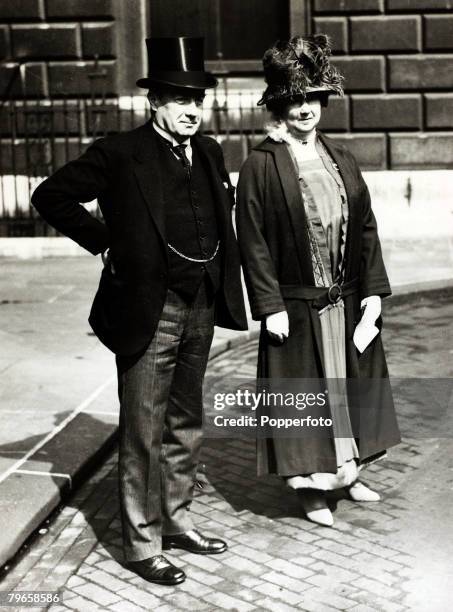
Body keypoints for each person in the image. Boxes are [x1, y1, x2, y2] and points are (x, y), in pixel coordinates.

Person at [32, 37, 247, 585]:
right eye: (178, 98)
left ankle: (177, 522)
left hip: (200, 303)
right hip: (149, 309)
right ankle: (140, 542)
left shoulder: (213, 152)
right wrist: (103, 240)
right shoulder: (120, 152)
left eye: (197, 98)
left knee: (185, 422)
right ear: (153, 102)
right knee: (143, 429)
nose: (191, 108)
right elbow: (50, 195)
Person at [236, 35, 400, 527]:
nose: (304, 110)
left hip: (345, 301)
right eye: (294, 101)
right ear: (280, 108)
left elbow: (366, 227)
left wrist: (372, 293)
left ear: (322, 102)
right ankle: (311, 490)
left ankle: (350, 473)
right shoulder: (261, 166)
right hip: (298, 306)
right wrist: (270, 306)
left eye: (311, 99)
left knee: (349, 386)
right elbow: (253, 242)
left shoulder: (341, 158)